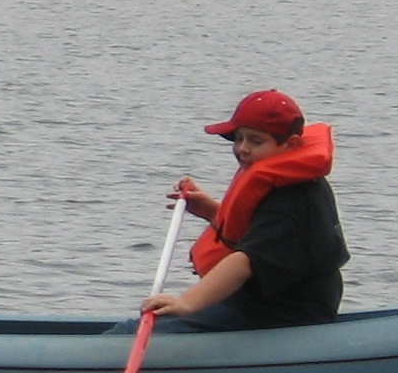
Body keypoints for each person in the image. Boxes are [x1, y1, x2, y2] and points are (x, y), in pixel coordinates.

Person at [132, 88, 348, 333]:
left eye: (256, 141)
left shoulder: (294, 201)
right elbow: (258, 234)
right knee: (139, 326)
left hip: (284, 314)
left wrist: (186, 303)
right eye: (238, 138)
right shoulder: (283, 185)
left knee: (146, 332)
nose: (242, 148)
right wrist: (212, 211)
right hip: (257, 303)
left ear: (291, 144)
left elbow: (246, 261)